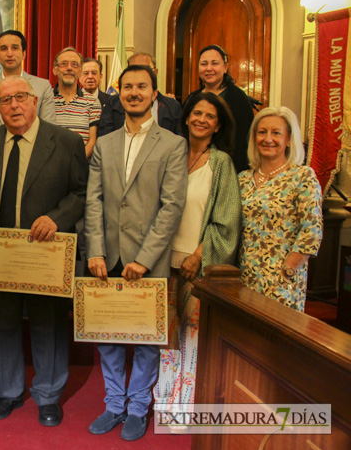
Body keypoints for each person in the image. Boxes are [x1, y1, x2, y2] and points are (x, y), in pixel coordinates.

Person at [0, 75, 88, 427]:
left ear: (35, 101)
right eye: (6, 101)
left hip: (46, 254)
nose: (14, 106)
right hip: (1, 257)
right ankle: (8, 392)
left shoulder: (66, 141)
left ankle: (48, 395)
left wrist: (56, 219)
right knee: (4, 324)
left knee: (47, 323)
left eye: (21, 97)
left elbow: (81, 193)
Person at [85, 64, 187, 441]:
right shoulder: (106, 143)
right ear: (120, 92)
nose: (133, 93)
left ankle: (138, 408)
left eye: (141, 87)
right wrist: (94, 249)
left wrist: (145, 258)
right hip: (106, 258)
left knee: (146, 340)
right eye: (127, 87)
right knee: (107, 336)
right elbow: (93, 200)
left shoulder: (173, 144)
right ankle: (114, 404)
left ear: (153, 94)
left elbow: (172, 206)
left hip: (148, 261)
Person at [153, 92, 241, 412]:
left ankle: (186, 407)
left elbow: (227, 220)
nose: (202, 119)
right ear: (186, 117)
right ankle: (165, 401)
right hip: (162, 262)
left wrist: (198, 256)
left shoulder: (222, 164)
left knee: (192, 339)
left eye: (210, 116)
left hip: (196, 265)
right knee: (165, 335)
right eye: (197, 113)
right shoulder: (171, 153)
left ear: (218, 126)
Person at [239, 106, 323, 312]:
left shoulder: (302, 176)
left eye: (276, 133)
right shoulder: (242, 179)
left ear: (288, 139)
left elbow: (311, 232)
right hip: (244, 279)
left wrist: (287, 271)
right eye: (262, 132)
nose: (268, 139)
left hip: (282, 282)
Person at [184, 44, 255, 172]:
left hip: (229, 167)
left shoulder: (237, 97)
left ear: (225, 68)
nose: (209, 68)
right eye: (204, 64)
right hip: (194, 165)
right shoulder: (193, 98)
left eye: (214, 63)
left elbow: (244, 140)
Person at [0, 30, 56, 138]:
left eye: (15, 48)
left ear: (24, 54)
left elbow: (48, 129)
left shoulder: (43, 86)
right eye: (3, 49)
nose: (9, 54)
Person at [99, 52, 182, 136]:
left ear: (155, 72)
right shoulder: (113, 103)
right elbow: (105, 138)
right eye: (134, 69)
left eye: (146, 69)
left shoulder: (172, 106)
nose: (140, 74)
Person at [52, 47, 101, 159]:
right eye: (64, 64)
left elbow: (92, 142)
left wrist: (75, 164)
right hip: (50, 167)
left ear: (80, 71)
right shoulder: (46, 98)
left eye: (74, 64)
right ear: (55, 70)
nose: (69, 68)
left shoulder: (92, 101)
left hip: (80, 167)